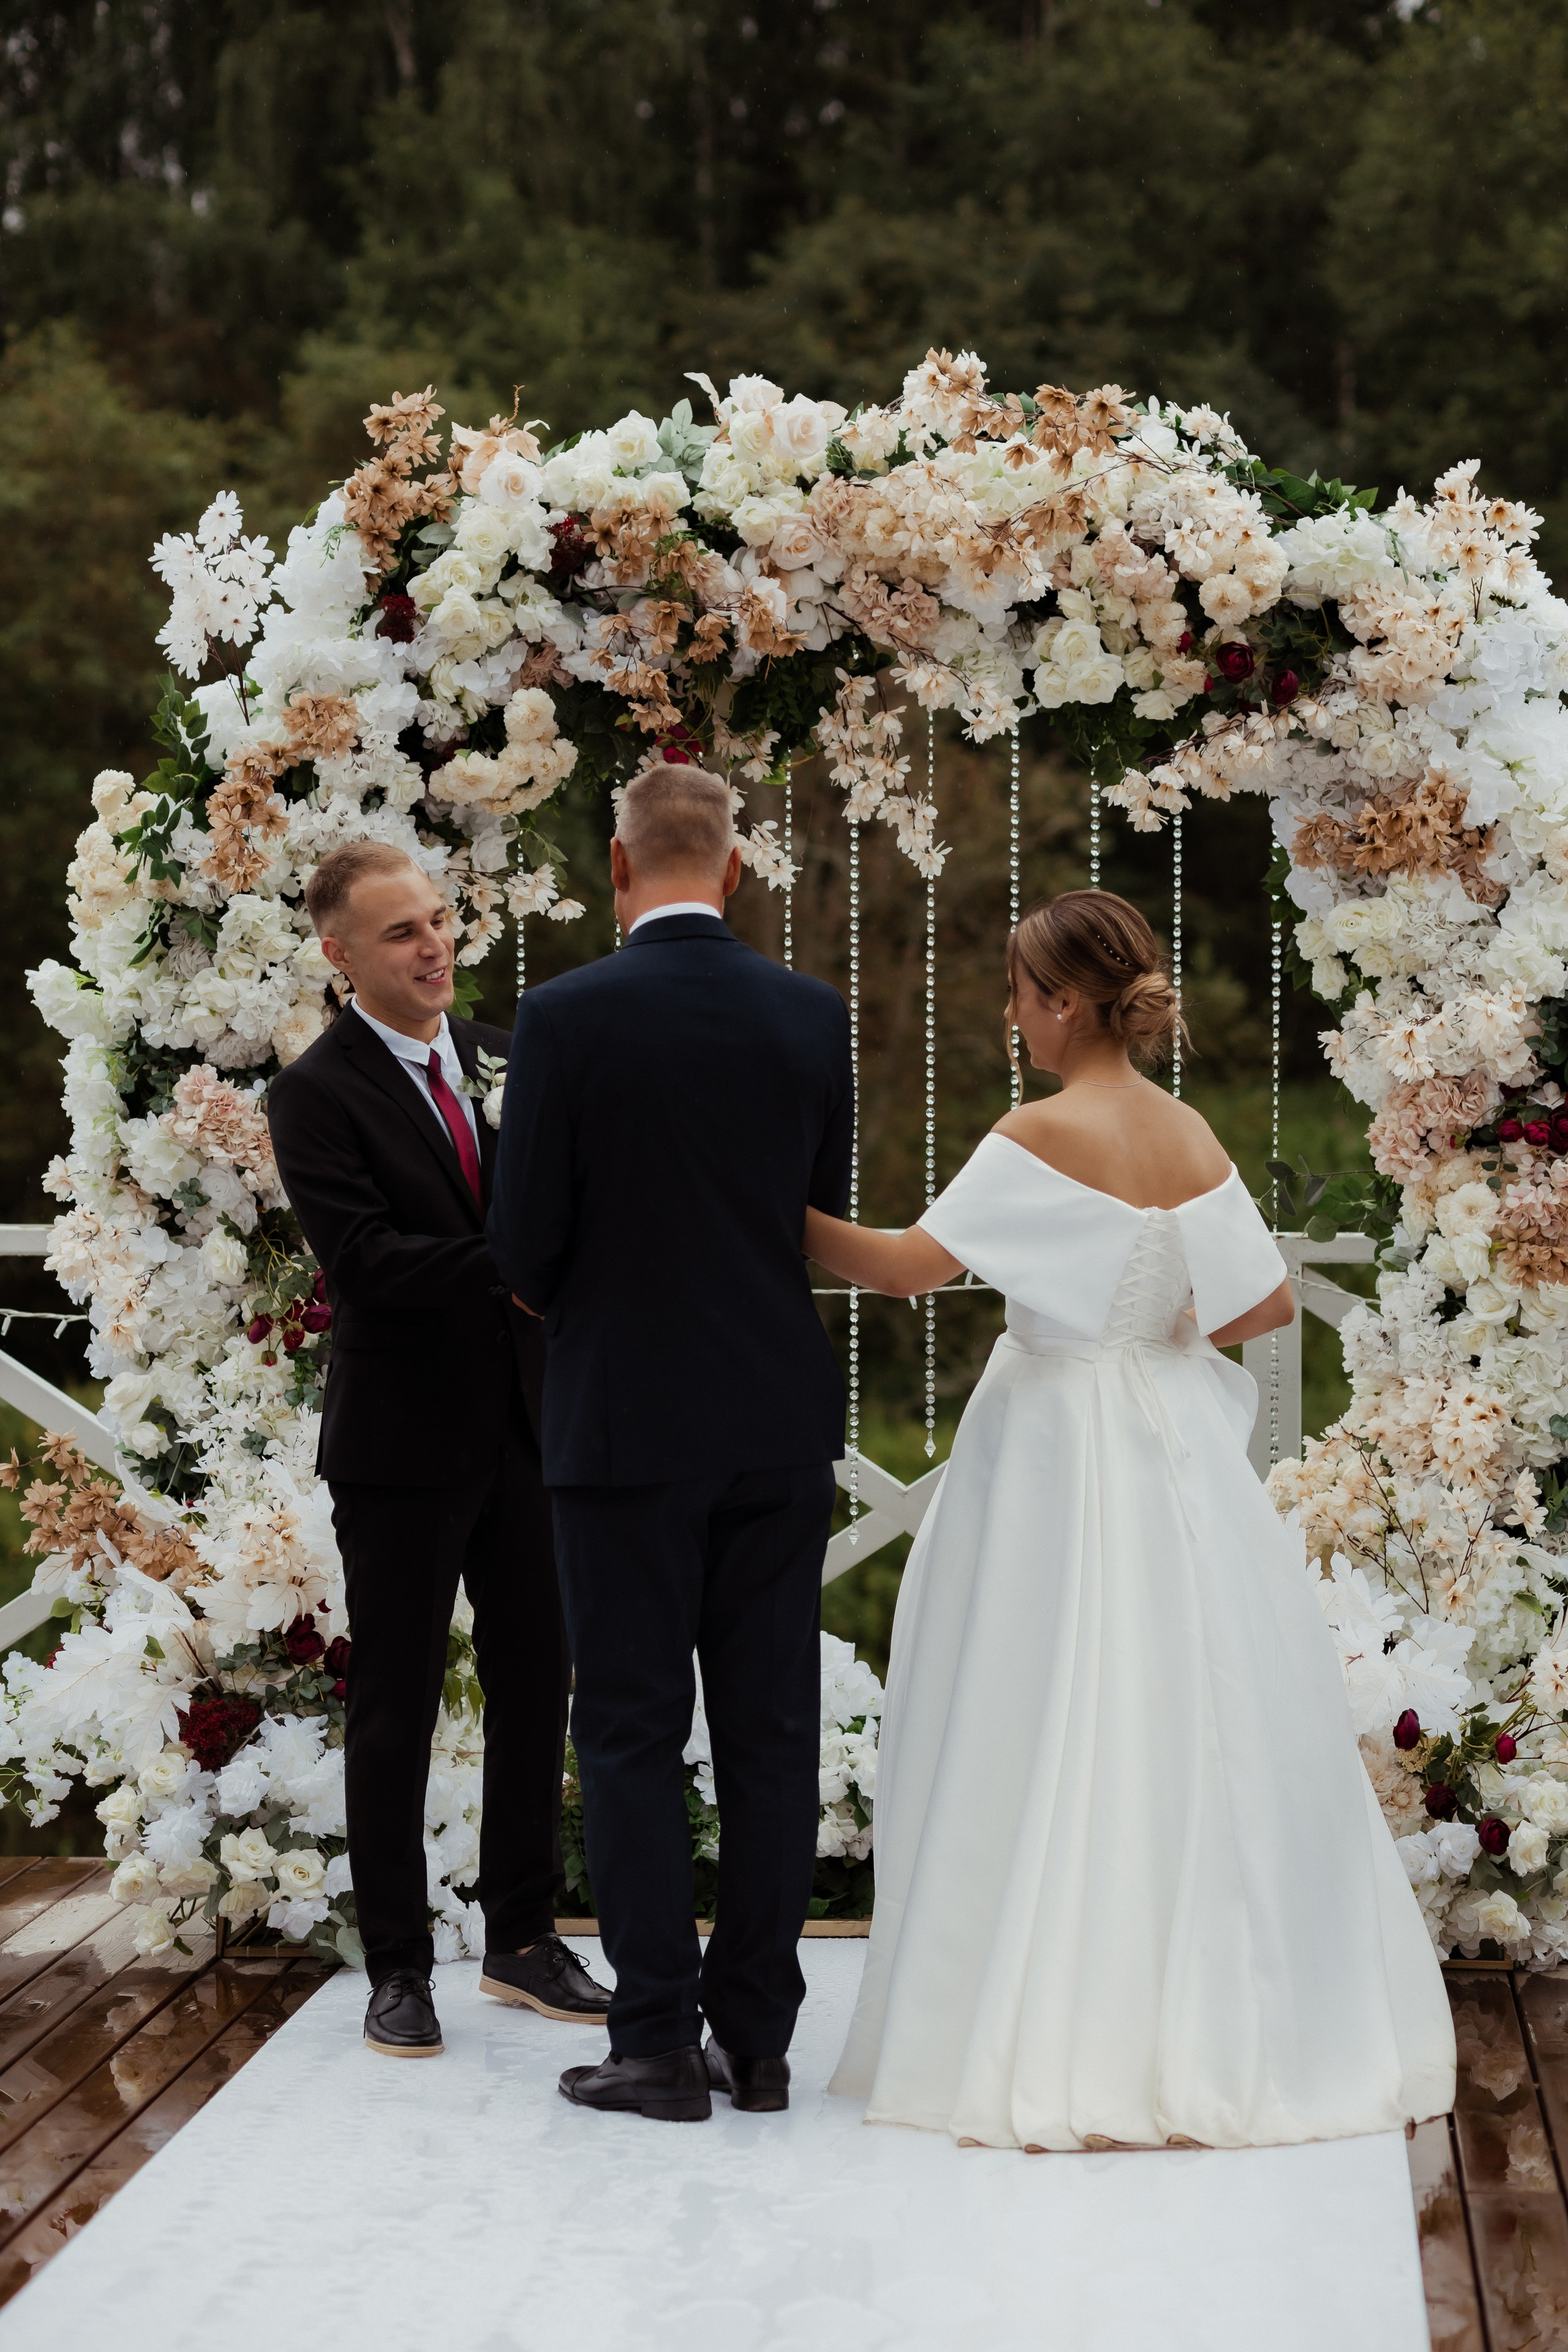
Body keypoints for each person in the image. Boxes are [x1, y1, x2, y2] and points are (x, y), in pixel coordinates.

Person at [810, 889, 1456, 2152]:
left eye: (1017, 996)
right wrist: (1156, 1320)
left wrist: (756, 1212)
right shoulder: (1186, 1130)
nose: (1011, 1018)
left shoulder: (1037, 1131)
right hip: (1170, 1440)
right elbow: (1266, 1306)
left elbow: (903, 1269)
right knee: (1179, 1704)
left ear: (1061, 1003)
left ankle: (1058, 2009)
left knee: (1044, 1698)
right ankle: (1216, 2012)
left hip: (1056, 1442)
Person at [487, 762, 854, 2124]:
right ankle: (758, 2045)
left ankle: (652, 2041)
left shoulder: (564, 1015)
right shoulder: (812, 1015)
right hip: (775, 1419)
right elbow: (814, 1209)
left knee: (631, 1729)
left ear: (618, 866)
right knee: (770, 1732)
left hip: (623, 1422)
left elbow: (521, 1246)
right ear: (736, 870)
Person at [266, 841, 611, 2059]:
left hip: (528, 1427)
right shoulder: (313, 1094)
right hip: (401, 1444)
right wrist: (523, 1265)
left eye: (439, 919)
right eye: (402, 931)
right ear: (340, 955)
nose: (435, 945)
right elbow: (365, 1263)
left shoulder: (504, 1056)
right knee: (396, 1706)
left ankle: (523, 1940)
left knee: (535, 1687)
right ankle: (399, 1968)